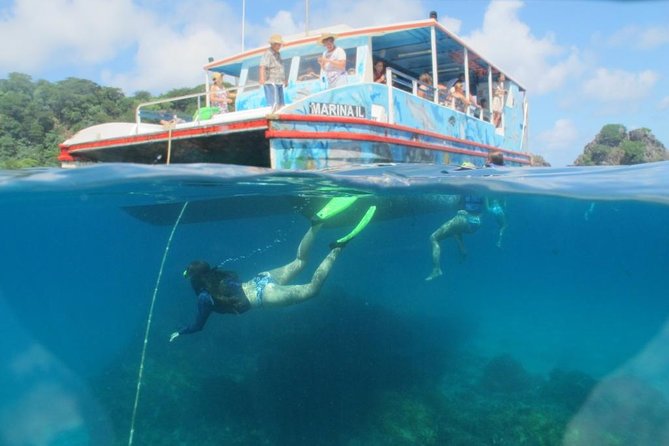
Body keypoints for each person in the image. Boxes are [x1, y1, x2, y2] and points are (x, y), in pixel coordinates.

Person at [170, 199, 376, 340]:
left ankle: (338, 248)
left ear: (194, 280)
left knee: (313, 289)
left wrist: (181, 332)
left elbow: (198, 326)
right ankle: (316, 224)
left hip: (263, 296)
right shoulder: (217, 274)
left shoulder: (204, 298)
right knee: (299, 261)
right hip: (261, 279)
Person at [425, 161, 507, 280]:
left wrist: (466, 214)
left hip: (467, 220)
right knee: (455, 225)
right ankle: (462, 249)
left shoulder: (467, 187)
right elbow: (485, 209)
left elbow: (464, 207)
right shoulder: (481, 188)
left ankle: (437, 269)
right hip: (474, 223)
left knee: (434, 237)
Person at [259, 34, 287, 110]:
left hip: (279, 82)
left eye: (280, 45)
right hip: (271, 81)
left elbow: (280, 67)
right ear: (273, 44)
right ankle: (273, 114)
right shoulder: (268, 53)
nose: (280, 46)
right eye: (278, 45)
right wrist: (262, 78)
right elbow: (262, 66)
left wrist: (285, 80)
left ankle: (281, 115)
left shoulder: (278, 54)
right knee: (273, 103)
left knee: (281, 103)